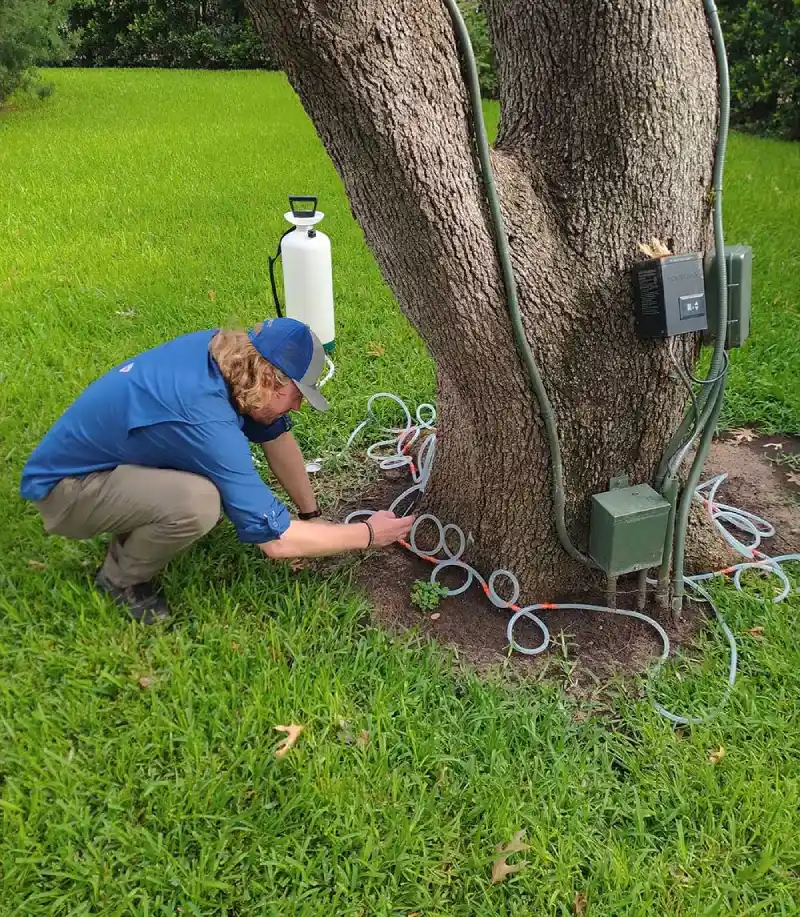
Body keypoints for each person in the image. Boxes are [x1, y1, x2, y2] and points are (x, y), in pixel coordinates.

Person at [20, 317, 413, 624]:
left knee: (210, 481)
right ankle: (121, 580)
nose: (298, 407)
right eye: (297, 396)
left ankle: (136, 512)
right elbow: (276, 542)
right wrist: (368, 534)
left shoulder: (227, 359)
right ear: (271, 380)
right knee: (199, 502)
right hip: (65, 492)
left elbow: (278, 440)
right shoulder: (205, 420)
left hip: (108, 458)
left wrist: (313, 516)